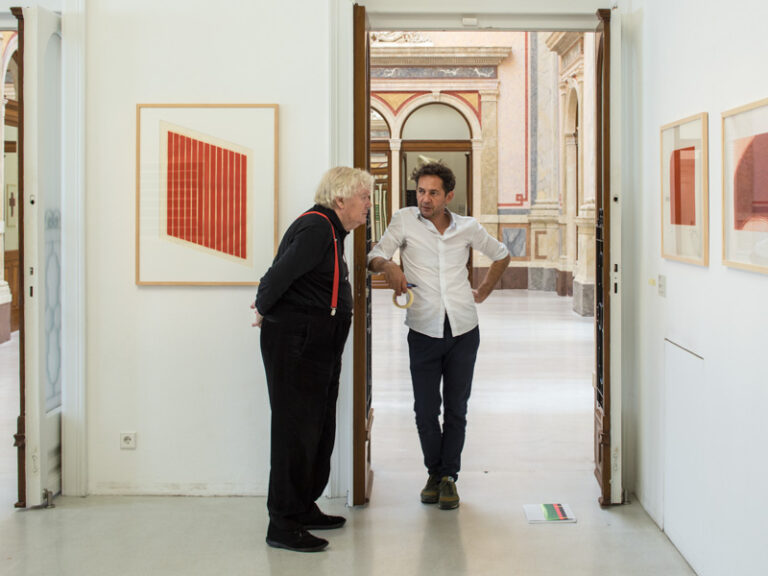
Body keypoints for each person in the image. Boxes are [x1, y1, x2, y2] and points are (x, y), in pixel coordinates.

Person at [368, 162, 510, 510]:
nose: (425, 199)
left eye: (433, 193)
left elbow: (502, 255)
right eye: (420, 191)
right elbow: (374, 256)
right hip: (423, 329)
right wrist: (389, 266)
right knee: (425, 409)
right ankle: (434, 472)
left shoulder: (468, 228)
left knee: (457, 409)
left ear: (449, 196)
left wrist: (485, 290)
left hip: (463, 329)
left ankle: (449, 477)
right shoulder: (403, 220)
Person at [252, 166, 373, 552]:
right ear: (340, 200)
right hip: (297, 344)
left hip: (317, 342)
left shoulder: (331, 231)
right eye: (364, 198)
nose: (369, 205)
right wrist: (261, 307)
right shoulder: (317, 228)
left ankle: (303, 506)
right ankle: (283, 524)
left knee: (316, 430)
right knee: (295, 433)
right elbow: (276, 277)